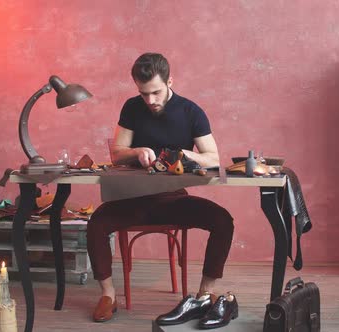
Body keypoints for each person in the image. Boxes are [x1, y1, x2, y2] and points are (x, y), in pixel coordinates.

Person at [87, 53, 239, 329]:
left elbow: (214, 159)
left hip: (173, 200)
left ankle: (205, 294)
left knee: (223, 220)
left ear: (170, 81)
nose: (150, 101)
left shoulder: (191, 111)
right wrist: (135, 151)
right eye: (143, 94)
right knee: (96, 223)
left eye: (156, 92)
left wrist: (185, 154)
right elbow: (117, 156)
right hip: (132, 199)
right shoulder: (132, 108)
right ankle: (108, 296)